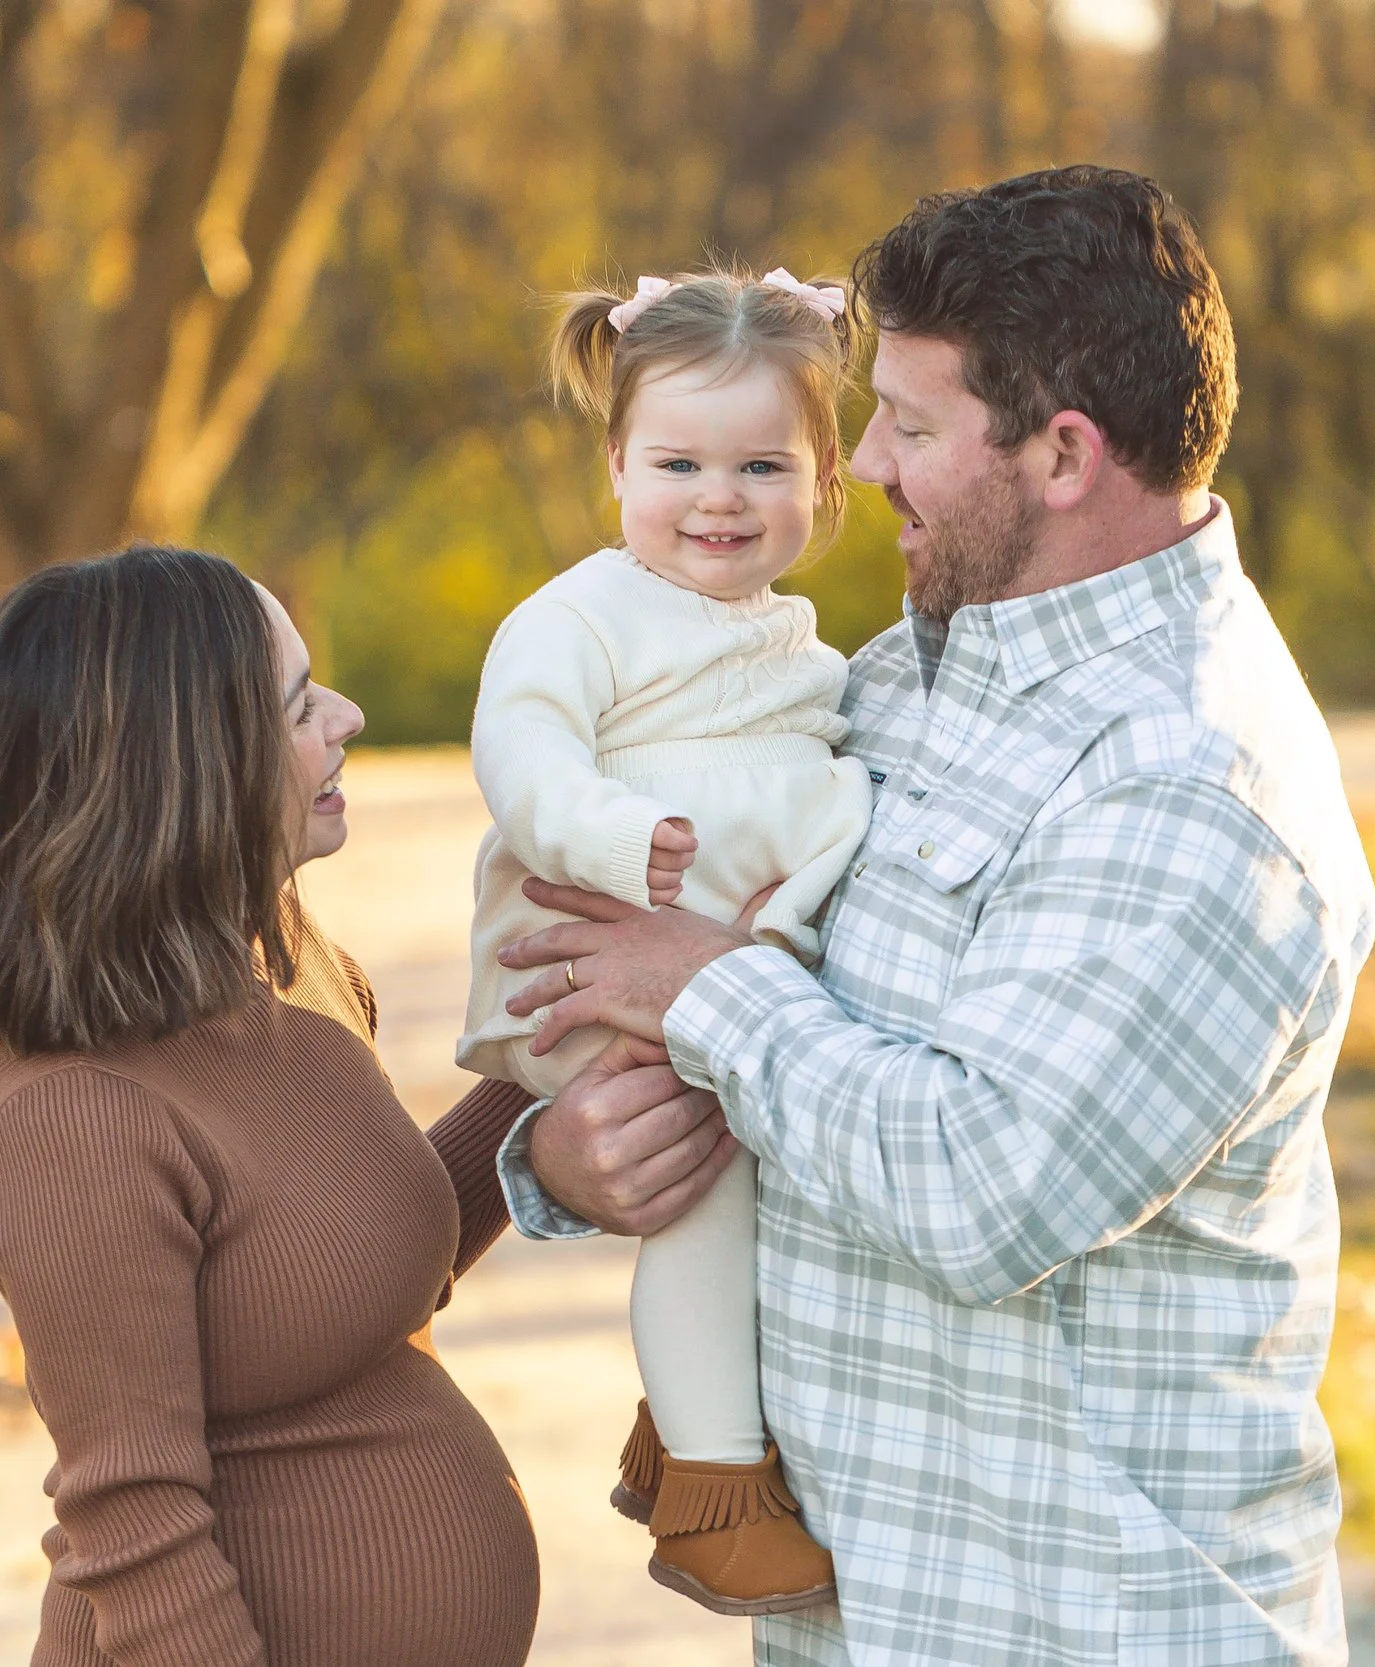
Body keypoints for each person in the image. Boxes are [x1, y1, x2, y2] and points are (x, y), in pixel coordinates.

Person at [491, 167, 1375, 1666]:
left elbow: (980, 1190)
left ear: (1064, 453)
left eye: (908, 425)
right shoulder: (905, 676)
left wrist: (700, 989)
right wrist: (578, 1153)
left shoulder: (1194, 787)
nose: (866, 469)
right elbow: (767, 1053)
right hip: (874, 1619)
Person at [0, 544, 540, 1667]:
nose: (345, 715)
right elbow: (136, 1526)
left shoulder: (283, 959)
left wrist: (544, 1082)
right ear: (180, 765)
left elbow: (342, 1254)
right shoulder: (75, 1117)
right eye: (299, 705)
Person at [455, 267, 871, 1614]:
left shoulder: (791, 637)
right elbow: (519, 745)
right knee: (709, 1185)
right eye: (679, 460)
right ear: (618, 464)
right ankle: (711, 1490)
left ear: (826, 481)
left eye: (765, 463)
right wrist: (606, 834)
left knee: (761, 1178)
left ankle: (691, 1424)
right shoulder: (584, 614)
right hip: (593, 941)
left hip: (696, 945)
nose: (721, 497)